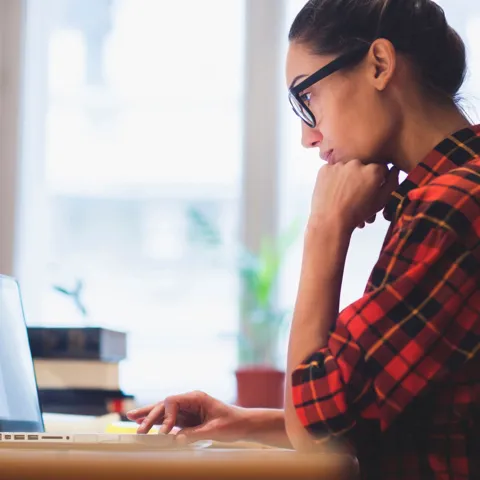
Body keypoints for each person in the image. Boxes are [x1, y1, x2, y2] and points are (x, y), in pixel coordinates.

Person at [127, 0, 480, 477]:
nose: (307, 137)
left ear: (379, 64)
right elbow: (373, 416)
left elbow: (319, 439)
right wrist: (243, 421)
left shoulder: (452, 207)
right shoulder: (451, 191)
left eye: (307, 97)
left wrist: (325, 229)